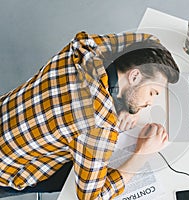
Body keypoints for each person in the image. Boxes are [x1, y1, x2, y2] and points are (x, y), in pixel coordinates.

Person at [0, 31, 179, 199]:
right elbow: (93, 196)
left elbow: (149, 40)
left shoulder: (83, 48)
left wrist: (133, 105)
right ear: (134, 76)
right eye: (152, 92)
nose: (150, 103)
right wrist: (142, 153)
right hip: (8, 169)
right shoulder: (98, 125)